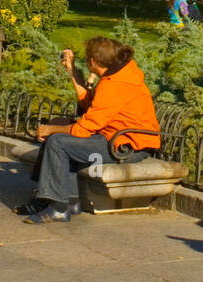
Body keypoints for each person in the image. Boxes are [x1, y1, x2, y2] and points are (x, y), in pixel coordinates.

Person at [18, 37, 161, 224]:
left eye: (86, 59)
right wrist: (73, 72)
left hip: (126, 146)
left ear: (93, 62)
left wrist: (50, 129)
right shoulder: (117, 76)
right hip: (116, 138)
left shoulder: (115, 84)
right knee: (59, 134)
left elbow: (83, 129)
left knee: (57, 142)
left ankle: (58, 207)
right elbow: (89, 104)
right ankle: (67, 201)